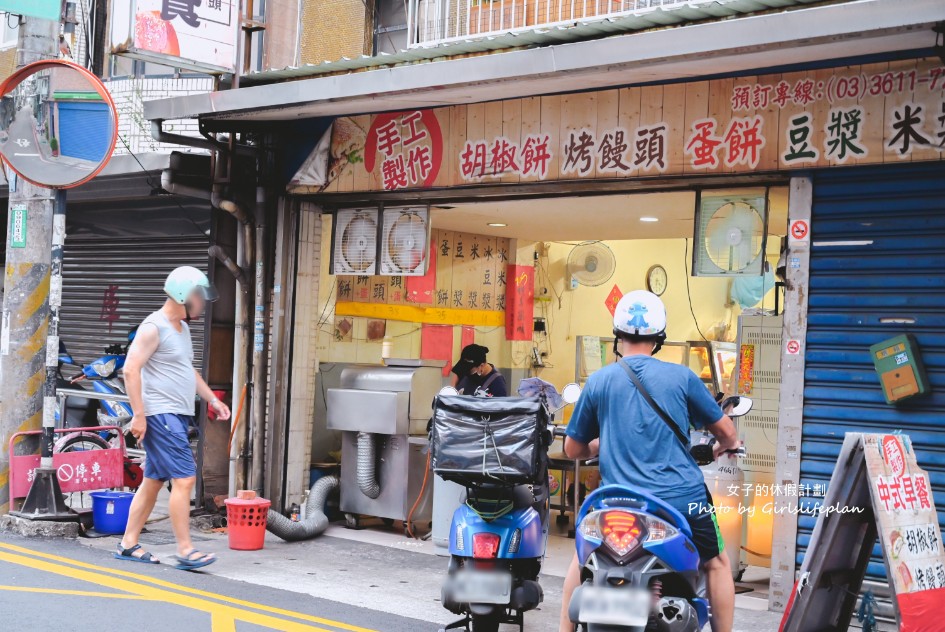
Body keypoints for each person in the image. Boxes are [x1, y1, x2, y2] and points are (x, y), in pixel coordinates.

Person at [558, 290, 740, 632]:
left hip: (615, 501)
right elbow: (727, 433)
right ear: (659, 337)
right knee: (716, 562)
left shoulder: (599, 381)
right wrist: (724, 446)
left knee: (580, 559)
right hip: (680, 500)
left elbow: (572, 449)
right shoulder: (682, 377)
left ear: (617, 334)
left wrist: (599, 445)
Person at [115, 266, 231, 570]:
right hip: (161, 414)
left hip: (176, 414)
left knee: (153, 481)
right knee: (185, 478)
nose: (203, 304)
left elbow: (187, 371)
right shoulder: (154, 327)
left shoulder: (182, 329)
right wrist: (139, 416)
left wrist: (212, 399)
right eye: (200, 297)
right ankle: (185, 549)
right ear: (184, 296)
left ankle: (128, 543)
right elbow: (130, 369)